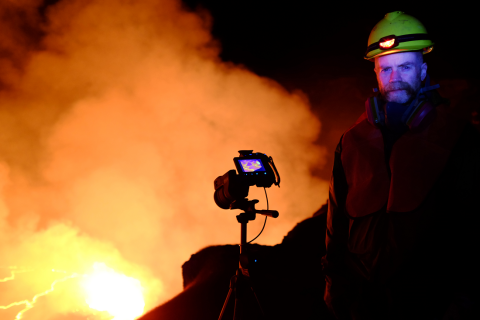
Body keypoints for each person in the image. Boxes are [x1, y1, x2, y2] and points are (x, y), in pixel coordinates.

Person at [321, 11, 479, 320]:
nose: (394, 78)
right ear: (376, 73)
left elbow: (475, 226)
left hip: (433, 304)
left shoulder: (459, 139)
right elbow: (335, 225)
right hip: (362, 306)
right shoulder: (352, 141)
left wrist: (465, 299)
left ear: (423, 71)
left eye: (405, 67)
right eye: (386, 69)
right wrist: (334, 286)